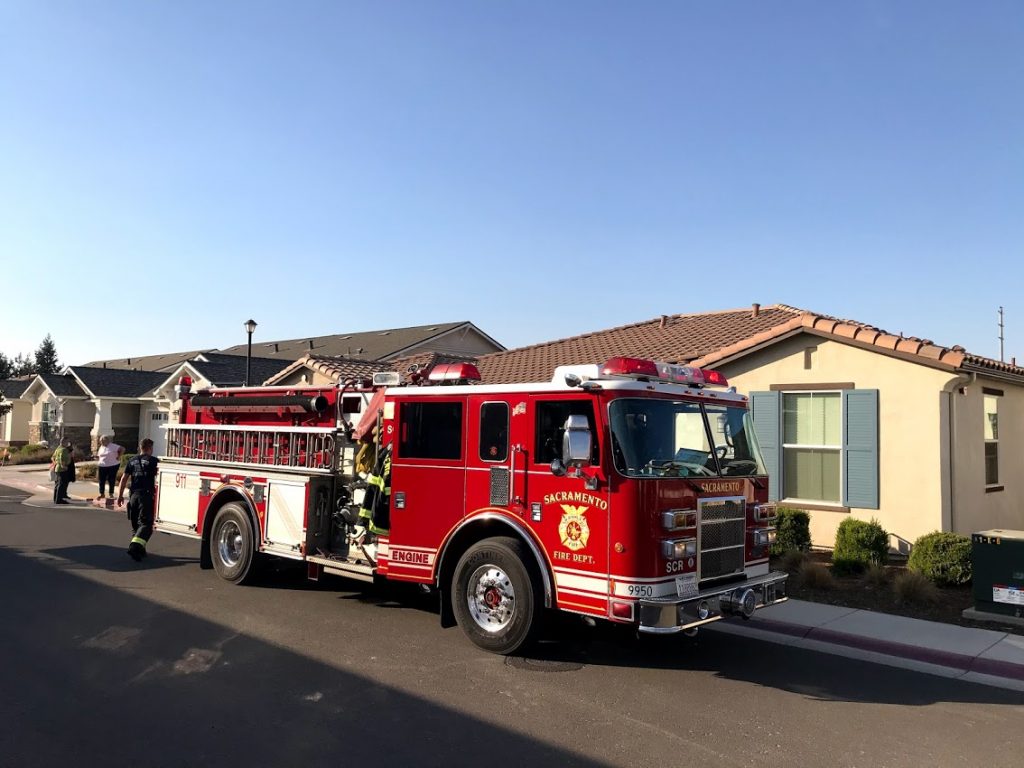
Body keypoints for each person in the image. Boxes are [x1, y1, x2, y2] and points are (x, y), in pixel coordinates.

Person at [116, 438, 159, 562]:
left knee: (136, 525)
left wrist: (119, 496)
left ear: (140, 447)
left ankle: (140, 550)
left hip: (133, 496)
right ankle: (135, 547)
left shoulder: (132, 460)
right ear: (150, 448)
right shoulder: (153, 461)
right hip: (145, 496)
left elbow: (124, 479)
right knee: (146, 524)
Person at [95, 435, 123, 500]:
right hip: (102, 465)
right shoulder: (101, 447)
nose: (101, 442)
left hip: (112, 465)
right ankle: (102, 494)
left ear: (107, 440)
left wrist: (119, 456)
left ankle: (111, 493)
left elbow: (122, 449)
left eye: (103, 441)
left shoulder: (113, 446)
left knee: (111, 479)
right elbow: (100, 455)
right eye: (101, 441)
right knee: (101, 480)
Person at [51, 438, 73, 504]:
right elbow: (61, 458)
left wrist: (56, 463)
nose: (68, 444)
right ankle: (59, 499)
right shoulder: (63, 450)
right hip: (62, 469)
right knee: (61, 484)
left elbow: (53, 457)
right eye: (67, 442)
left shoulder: (58, 449)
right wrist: (63, 465)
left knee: (58, 484)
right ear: (64, 442)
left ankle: (55, 498)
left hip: (57, 468)